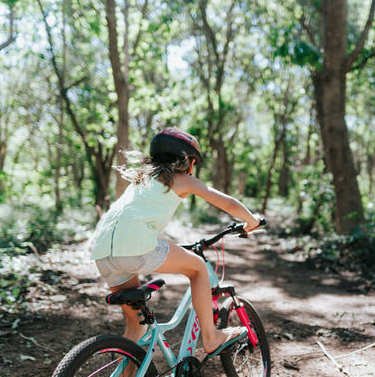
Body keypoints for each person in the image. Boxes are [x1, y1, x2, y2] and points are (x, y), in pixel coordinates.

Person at [91, 127, 262, 357]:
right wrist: (251, 221)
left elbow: (133, 221)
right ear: (186, 160)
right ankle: (211, 337)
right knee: (199, 268)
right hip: (136, 248)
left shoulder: (140, 182)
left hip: (103, 253)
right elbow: (229, 204)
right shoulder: (183, 181)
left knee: (136, 327)